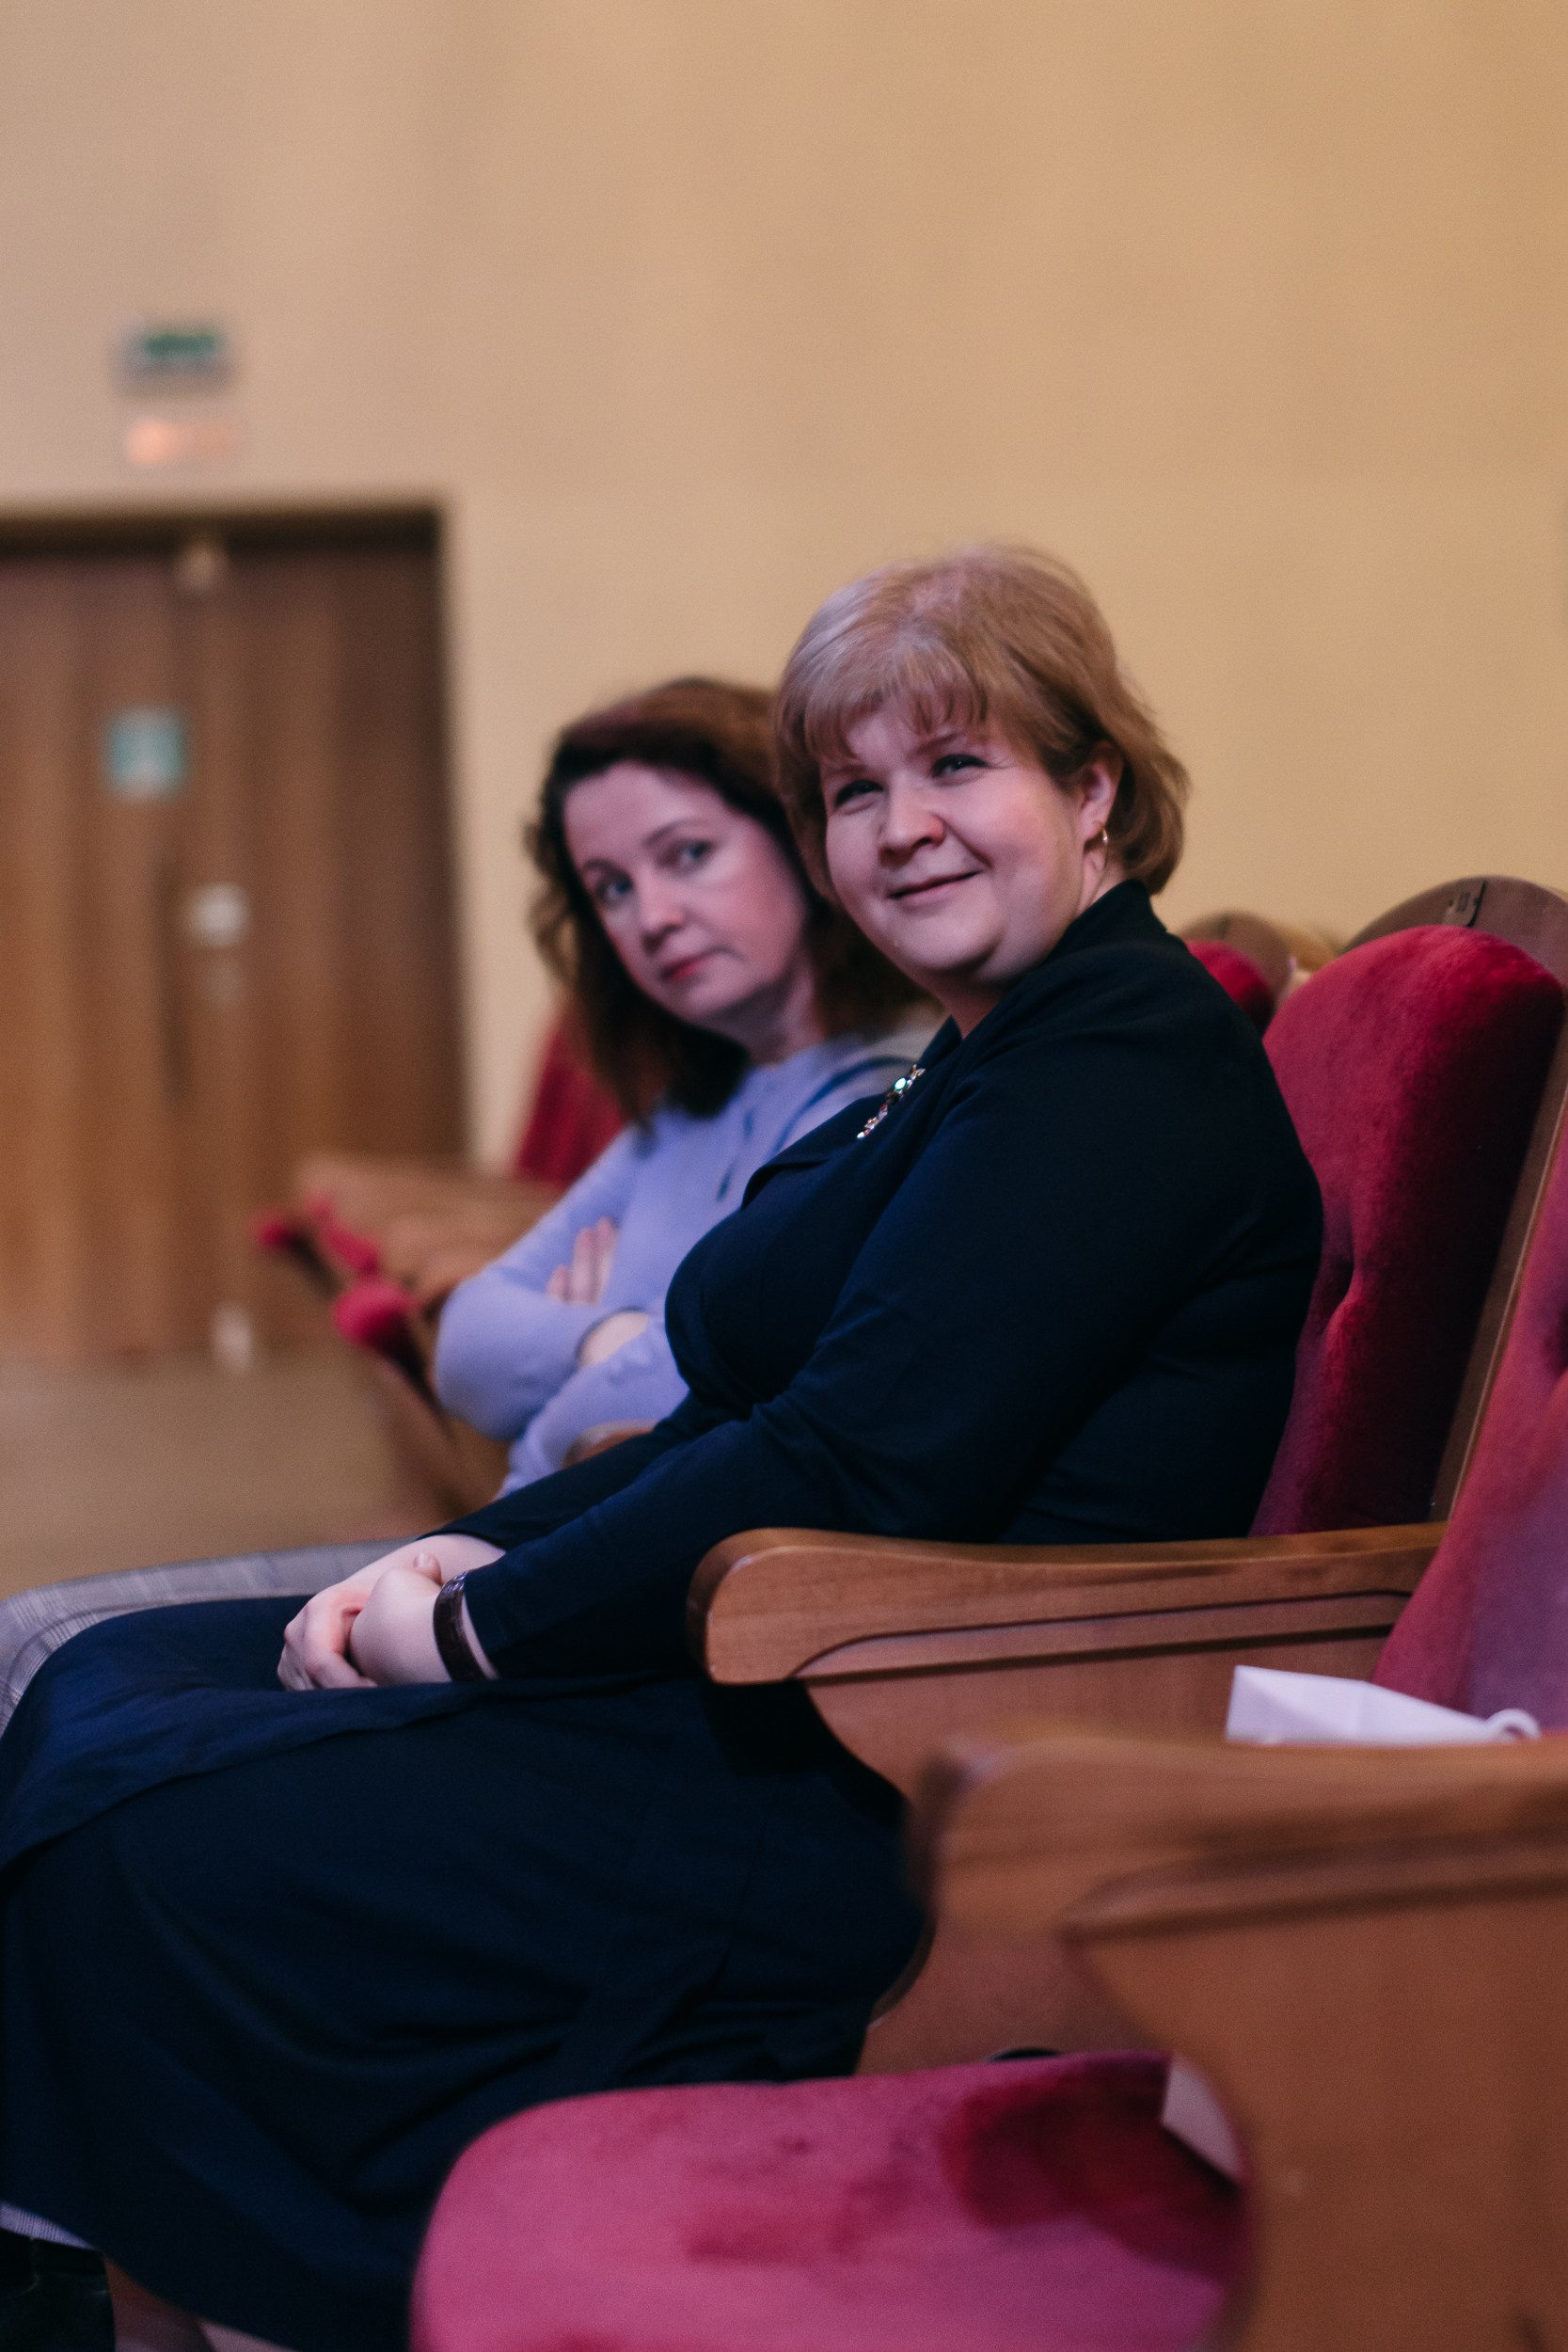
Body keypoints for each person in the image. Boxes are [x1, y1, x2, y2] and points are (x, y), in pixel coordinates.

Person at [0, 548, 1322, 2352]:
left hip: (891, 1752)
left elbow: (851, 1470)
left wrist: (480, 1631)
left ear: (1092, 792)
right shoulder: (985, 1056)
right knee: (105, 1684)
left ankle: (234, 2293)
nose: (901, 830)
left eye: (957, 766)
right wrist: (480, 1555)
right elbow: (739, 1420)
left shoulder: (1119, 1068)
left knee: (143, 1827)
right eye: (852, 791)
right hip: (779, 1659)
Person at [433, 677, 928, 1488]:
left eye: (688, 854)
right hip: (537, 1537)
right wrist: (606, 1338)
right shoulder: (688, 1114)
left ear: (801, 838)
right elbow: (464, 1344)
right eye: (612, 888)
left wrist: (554, 1415)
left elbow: (710, 1396)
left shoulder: (892, 1092)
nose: (653, 917)